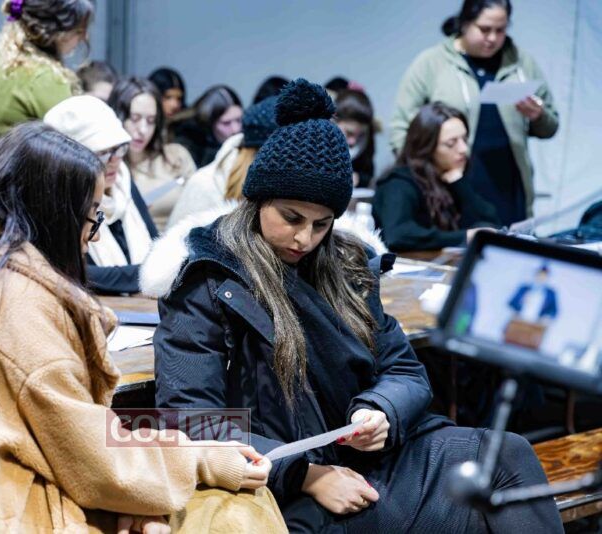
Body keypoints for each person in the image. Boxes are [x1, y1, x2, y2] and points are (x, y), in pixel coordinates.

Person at [145, 79, 562, 533]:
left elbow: (403, 369)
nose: (304, 238)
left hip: (369, 460)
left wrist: (380, 411)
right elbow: (192, 419)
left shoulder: (347, 263)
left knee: (506, 455)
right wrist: (306, 475)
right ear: (258, 200)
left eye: (321, 224)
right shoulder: (208, 276)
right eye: (291, 217)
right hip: (279, 482)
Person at [0, 121, 274, 532]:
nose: (93, 236)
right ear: (55, 215)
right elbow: (92, 458)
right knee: (237, 512)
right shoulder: (20, 305)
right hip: (7, 518)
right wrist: (199, 458)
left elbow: (79, 447)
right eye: (92, 217)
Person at [390, 0, 558, 225]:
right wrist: (422, 179)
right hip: (452, 185)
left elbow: (551, 125)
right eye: (484, 29)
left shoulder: (522, 63)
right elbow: (400, 128)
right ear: (464, 24)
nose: (492, 38)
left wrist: (538, 115)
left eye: (500, 30)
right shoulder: (432, 63)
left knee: (511, 240)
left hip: (509, 185)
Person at [45, 95, 158, 295]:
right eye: (102, 153)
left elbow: (157, 245)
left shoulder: (123, 180)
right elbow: (73, 273)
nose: (114, 160)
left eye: (119, 148)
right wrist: (150, 273)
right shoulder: (57, 201)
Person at [374, 102, 500, 252]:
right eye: (451, 143)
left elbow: (490, 222)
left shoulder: (451, 174)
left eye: (465, 139)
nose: (463, 149)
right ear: (427, 147)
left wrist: (460, 184)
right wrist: (464, 236)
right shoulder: (398, 183)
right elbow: (398, 235)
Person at [0, 0, 91, 154]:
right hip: (32, 169)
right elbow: (81, 148)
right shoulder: (44, 77)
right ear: (59, 33)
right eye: (78, 31)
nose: (84, 37)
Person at [168, 95, 279, 228]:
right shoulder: (205, 183)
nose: (234, 129)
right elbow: (178, 237)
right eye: (226, 123)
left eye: (238, 120)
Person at [108, 76, 196, 231]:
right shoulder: (110, 167)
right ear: (117, 116)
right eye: (134, 118)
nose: (143, 130)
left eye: (151, 121)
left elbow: (200, 208)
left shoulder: (177, 156)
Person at [173, 85, 243, 167]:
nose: (236, 129)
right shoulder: (186, 147)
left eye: (238, 120)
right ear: (209, 123)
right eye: (226, 123)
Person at [334, 89, 377, 188]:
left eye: (361, 135)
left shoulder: (368, 137)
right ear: (334, 121)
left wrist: (359, 178)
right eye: (349, 133)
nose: (353, 142)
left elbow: (368, 174)